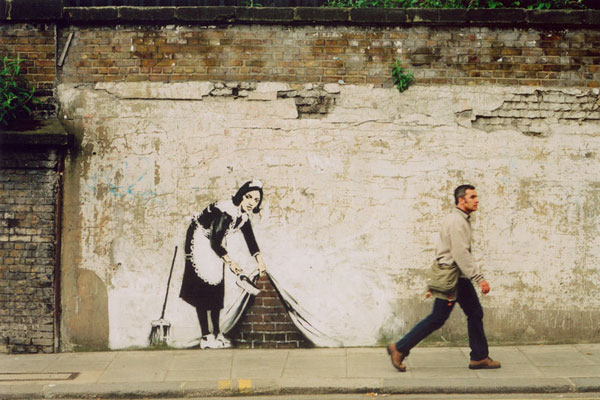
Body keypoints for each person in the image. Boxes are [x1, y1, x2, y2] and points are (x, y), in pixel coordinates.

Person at [387, 185, 501, 371]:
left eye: (476, 196)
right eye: (472, 197)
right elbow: (460, 253)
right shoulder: (457, 222)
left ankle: (479, 357)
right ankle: (399, 348)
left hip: (458, 276)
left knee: (474, 312)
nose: (477, 200)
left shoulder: (460, 219)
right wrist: (479, 278)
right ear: (461, 200)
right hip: (453, 278)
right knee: (438, 318)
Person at [179, 180, 267, 349]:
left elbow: (251, 240)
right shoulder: (226, 212)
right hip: (200, 239)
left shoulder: (243, 215)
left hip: (215, 241)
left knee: (217, 284)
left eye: (256, 200)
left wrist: (260, 262)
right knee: (203, 286)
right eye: (248, 197)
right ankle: (206, 336)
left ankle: (217, 333)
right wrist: (231, 262)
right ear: (241, 196)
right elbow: (214, 243)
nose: (251, 202)